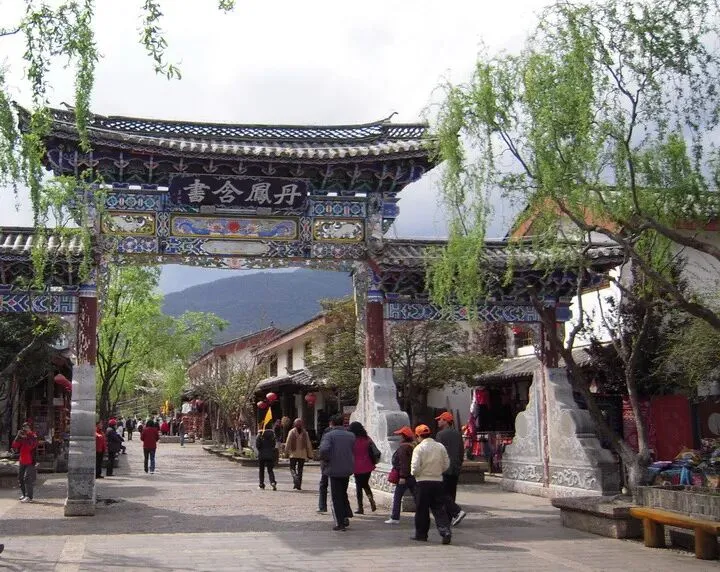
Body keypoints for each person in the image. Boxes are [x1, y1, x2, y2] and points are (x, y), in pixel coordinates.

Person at [410, 424, 452, 545]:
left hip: (422, 482)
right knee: (439, 508)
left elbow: (415, 467)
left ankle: (421, 534)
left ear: (418, 436)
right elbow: (446, 464)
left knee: (422, 510)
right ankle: (445, 530)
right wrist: (438, 471)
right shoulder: (440, 447)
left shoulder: (419, 448)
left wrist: (416, 474)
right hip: (438, 481)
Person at [318, 414, 356, 531]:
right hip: (347, 468)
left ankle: (340, 522)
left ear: (332, 423)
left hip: (333, 468)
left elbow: (324, 450)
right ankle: (345, 516)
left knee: (335, 497)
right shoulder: (351, 435)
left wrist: (326, 461)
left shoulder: (329, 436)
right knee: (343, 493)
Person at [435, 411, 467, 527]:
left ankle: (455, 512)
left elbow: (438, 452)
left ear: (445, 421)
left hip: (444, 468)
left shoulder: (440, 435)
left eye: (440, 420)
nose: (438, 422)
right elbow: (461, 451)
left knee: (442, 493)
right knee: (451, 493)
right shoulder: (457, 434)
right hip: (455, 468)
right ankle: (450, 517)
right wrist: (459, 464)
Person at [385, 426, 416, 524]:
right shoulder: (413, 446)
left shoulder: (403, 448)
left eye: (400, 435)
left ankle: (395, 517)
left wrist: (402, 476)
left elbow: (403, 463)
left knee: (397, 497)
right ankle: (423, 514)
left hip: (405, 476)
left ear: (404, 436)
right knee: (417, 496)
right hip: (413, 475)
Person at [348, 421, 378, 514]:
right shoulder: (367, 438)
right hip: (368, 465)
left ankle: (360, 507)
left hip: (357, 466)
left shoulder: (352, 440)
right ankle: (370, 498)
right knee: (365, 484)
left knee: (359, 487)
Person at [285, 418, 313, 490]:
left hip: (293, 454)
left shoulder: (291, 432)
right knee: (300, 470)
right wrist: (310, 454)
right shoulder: (305, 433)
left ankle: (295, 477)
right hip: (302, 454)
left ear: (294, 424)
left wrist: (286, 452)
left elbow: (288, 443)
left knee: (292, 468)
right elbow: (308, 444)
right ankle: (298, 485)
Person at [12, 422, 37, 502]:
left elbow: (31, 446)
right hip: (22, 459)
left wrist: (26, 437)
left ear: (30, 428)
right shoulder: (22, 436)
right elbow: (15, 446)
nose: (26, 429)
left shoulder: (33, 436)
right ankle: (24, 494)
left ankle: (29, 497)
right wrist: (18, 437)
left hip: (30, 460)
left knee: (27, 478)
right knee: (20, 478)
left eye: (27, 427)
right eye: (24, 427)